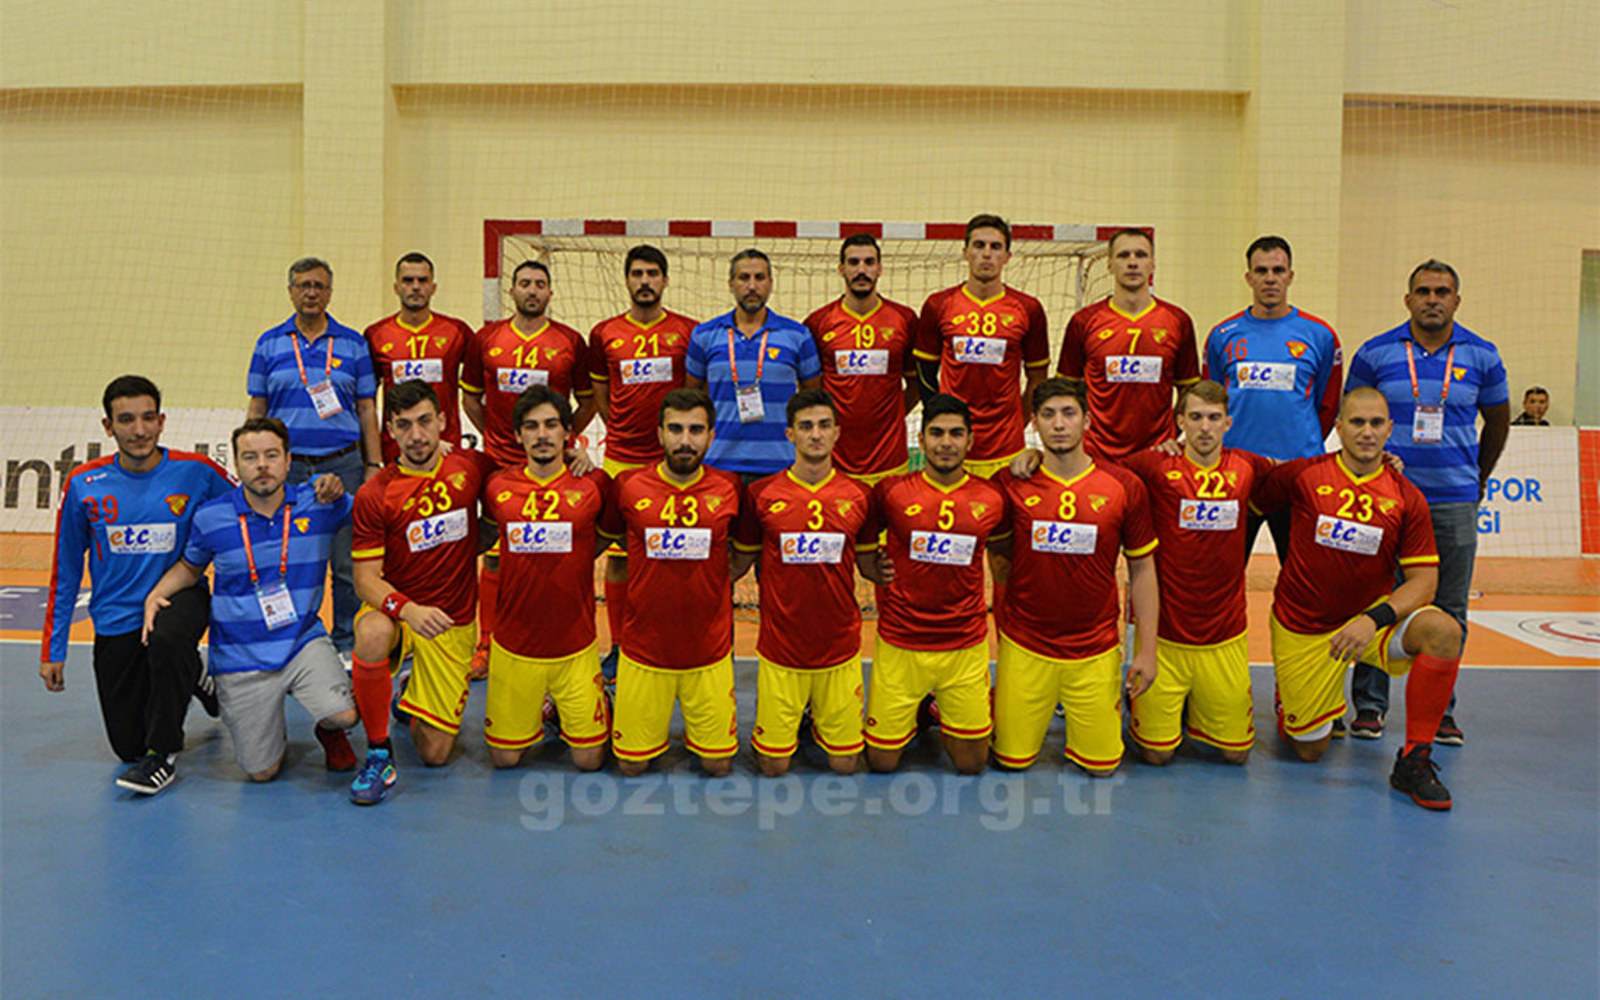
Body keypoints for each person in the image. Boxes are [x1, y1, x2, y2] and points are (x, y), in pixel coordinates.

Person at [1252, 387, 1465, 810]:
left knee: (1444, 631)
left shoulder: (1406, 497)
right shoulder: (1304, 475)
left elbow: (1424, 582)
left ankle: (1415, 758)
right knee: (1309, 752)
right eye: (1357, 422)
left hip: (1369, 626)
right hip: (1305, 628)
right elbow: (1251, 497)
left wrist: (1373, 618)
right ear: (1338, 427)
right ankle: (1294, 695)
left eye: (1375, 423)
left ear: (1389, 429)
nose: (1366, 432)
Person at [41, 376, 236, 795]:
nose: (140, 430)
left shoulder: (198, 472)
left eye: (148, 418)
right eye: (126, 420)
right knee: (128, 746)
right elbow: (66, 571)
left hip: (179, 596)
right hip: (117, 618)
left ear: (162, 421)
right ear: (108, 426)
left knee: (168, 640)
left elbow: (253, 499)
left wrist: (314, 495)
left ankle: (163, 755)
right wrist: (53, 650)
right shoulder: (83, 484)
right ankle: (194, 676)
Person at [1344, 260, 1510, 744]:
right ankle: (1370, 705)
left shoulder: (1483, 355)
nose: (1432, 299)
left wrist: (1477, 477)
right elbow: (1354, 416)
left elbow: (1498, 422)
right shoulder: (1375, 352)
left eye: (1441, 292)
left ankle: (1440, 711)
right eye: (1423, 291)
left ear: (1456, 300)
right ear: (1408, 299)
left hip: (1453, 501)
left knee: (1450, 607)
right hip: (1385, 501)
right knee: (1378, 599)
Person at [143, 417, 359, 785]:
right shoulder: (211, 517)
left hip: (302, 642)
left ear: (288, 461)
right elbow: (190, 568)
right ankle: (268, 724)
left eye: (272, 455)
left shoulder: (321, 503)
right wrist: (156, 594)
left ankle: (329, 730)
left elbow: (377, 512)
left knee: (343, 715)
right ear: (236, 464)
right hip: (241, 655)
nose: (262, 465)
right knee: (262, 772)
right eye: (250, 457)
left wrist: (340, 486)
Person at [988, 378, 1159, 775]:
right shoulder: (1009, 483)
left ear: (1087, 420)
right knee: (1010, 763)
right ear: (1034, 423)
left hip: (1094, 648)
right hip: (1026, 646)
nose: (1059, 424)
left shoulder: (1123, 486)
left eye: (1069, 413)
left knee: (1102, 768)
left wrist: (1147, 650)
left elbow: (1143, 569)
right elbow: (995, 555)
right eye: (1048, 415)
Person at [345, 380, 496, 803]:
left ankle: (408, 695)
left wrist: (574, 455)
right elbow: (365, 580)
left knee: (435, 754)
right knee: (372, 632)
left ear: (443, 421)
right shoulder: (376, 493)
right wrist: (409, 610)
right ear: (390, 430)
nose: (416, 435)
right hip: (401, 613)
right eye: (404, 425)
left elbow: (519, 485)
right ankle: (378, 753)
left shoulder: (472, 467)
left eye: (425, 421)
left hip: (452, 621)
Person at [1121, 381, 1275, 765]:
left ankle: (1197, 706)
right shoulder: (1153, 464)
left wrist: (1375, 463)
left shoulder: (1248, 466)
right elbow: (1095, 472)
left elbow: (1302, 474)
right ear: (1180, 421)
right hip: (1165, 635)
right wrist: (1035, 457)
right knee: (1157, 756)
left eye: (1213, 418)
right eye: (1195, 417)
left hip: (1224, 635)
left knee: (1236, 755)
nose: (1205, 427)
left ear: (1227, 422)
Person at [599, 388, 745, 777]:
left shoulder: (730, 487)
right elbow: (606, 538)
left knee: (718, 766)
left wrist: (714, 580)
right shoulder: (628, 485)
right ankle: (607, 703)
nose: (685, 441)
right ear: (660, 433)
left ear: (711, 436)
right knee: (631, 766)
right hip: (644, 651)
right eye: (676, 429)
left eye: (695, 430)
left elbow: (742, 551)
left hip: (709, 651)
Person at [733, 389, 878, 776]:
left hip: (839, 647)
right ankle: (795, 716)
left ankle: (815, 717)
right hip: (781, 649)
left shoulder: (860, 495)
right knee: (773, 767)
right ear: (790, 434)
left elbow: (870, 566)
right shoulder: (760, 494)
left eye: (824, 426)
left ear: (837, 433)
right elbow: (739, 561)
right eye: (806, 426)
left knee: (845, 765)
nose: (816, 434)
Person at [861, 394, 1008, 775]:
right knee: (880, 763)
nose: (946, 442)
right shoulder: (892, 491)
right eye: (937, 433)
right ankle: (918, 707)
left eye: (956, 434)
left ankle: (933, 708)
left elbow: (1004, 555)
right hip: (901, 640)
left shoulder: (992, 496)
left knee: (972, 764)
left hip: (964, 642)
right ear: (921, 439)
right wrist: (871, 568)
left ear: (970, 441)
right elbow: (861, 538)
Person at [462, 259, 595, 674]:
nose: (532, 290)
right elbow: (471, 399)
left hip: (553, 468)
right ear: (512, 291)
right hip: (501, 464)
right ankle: (487, 643)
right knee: (496, 555)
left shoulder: (570, 340)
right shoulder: (486, 339)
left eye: (539, 284)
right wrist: (504, 440)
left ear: (550, 292)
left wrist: (560, 441)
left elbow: (588, 401)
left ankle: (559, 639)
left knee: (553, 551)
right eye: (524, 283)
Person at [246, 257, 383, 658]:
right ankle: (291, 643)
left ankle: (346, 646)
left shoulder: (353, 344)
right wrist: (251, 461)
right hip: (286, 471)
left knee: (347, 564)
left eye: (319, 286)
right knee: (288, 561)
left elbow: (367, 409)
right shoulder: (268, 343)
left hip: (344, 464)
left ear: (330, 292)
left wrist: (373, 465)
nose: (311, 293)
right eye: (303, 285)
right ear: (290, 291)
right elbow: (257, 407)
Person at [481, 385, 613, 772]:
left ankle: (596, 701)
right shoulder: (497, 487)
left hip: (576, 646)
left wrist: (577, 555)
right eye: (532, 426)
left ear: (568, 432)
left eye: (551, 425)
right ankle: (544, 705)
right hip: (514, 645)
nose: (542, 434)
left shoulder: (595, 483)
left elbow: (608, 534)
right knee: (505, 759)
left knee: (589, 761)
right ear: (517, 435)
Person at [588, 245, 697, 682]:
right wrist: (620, 429)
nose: (645, 281)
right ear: (627, 280)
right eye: (637, 273)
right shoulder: (604, 333)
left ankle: (673, 639)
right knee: (620, 558)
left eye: (653, 273)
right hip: (622, 461)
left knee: (676, 554)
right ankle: (619, 645)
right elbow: (601, 394)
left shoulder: (688, 332)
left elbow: (694, 394)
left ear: (665, 280)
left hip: (672, 464)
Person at [1203, 236, 1342, 560]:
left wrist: (1300, 447)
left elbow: (1327, 405)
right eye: (1261, 271)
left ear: (1290, 276)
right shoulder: (1222, 335)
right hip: (1235, 474)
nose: (1270, 278)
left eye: (1278, 270)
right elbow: (1210, 402)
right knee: (1223, 573)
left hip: (1298, 474)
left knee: (1301, 575)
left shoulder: (1320, 335)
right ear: (1248, 277)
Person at [914, 214, 1050, 478]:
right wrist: (940, 421)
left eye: (995, 247)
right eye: (979, 245)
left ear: (1007, 256)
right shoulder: (938, 305)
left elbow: (1037, 378)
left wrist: (1017, 424)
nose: (987, 254)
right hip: (953, 447)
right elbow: (925, 374)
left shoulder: (1028, 309)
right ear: (965, 252)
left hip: (1006, 446)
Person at [1057, 228, 1199, 461]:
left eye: (1141, 255)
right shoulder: (1084, 321)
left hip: (1158, 453)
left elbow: (1189, 392)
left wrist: (1174, 434)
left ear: (1152, 265)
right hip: (1096, 453)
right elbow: (1065, 391)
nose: (1132, 263)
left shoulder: (1177, 321)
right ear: (1109, 265)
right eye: (1123, 255)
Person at [684, 249, 822, 480]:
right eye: (744, 278)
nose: (752, 286)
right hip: (719, 464)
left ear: (771, 284)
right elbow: (691, 399)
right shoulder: (704, 335)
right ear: (731, 284)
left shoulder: (798, 335)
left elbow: (812, 399)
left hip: (782, 465)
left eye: (759, 278)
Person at [804, 234, 921, 487]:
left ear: (879, 269)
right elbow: (810, 391)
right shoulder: (818, 322)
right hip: (835, 461)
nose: (861, 270)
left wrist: (891, 416)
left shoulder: (904, 319)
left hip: (891, 459)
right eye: (853, 262)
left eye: (869, 262)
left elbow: (916, 384)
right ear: (841, 269)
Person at [363, 252, 475, 463]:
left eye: (422, 280)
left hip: (445, 448)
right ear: (396, 287)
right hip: (396, 451)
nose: (415, 287)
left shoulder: (457, 331)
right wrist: (372, 458)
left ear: (433, 287)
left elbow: (479, 387)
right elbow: (366, 402)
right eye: (408, 280)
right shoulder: (375, 335)